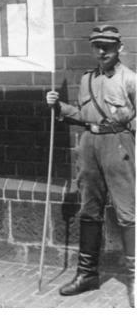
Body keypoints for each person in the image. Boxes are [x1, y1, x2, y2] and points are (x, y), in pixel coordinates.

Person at [46, 25, 135, 305]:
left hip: (118, 146)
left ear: (119, 48)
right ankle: (87, 274)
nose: (101, 51)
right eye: (97, 46)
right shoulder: (86, 79)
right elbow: (83, 115)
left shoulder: (130, 79)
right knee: (90, 208)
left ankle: (134, 278)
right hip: (89, 145)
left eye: (107, 46)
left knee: (127, 212)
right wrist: (58, 107)